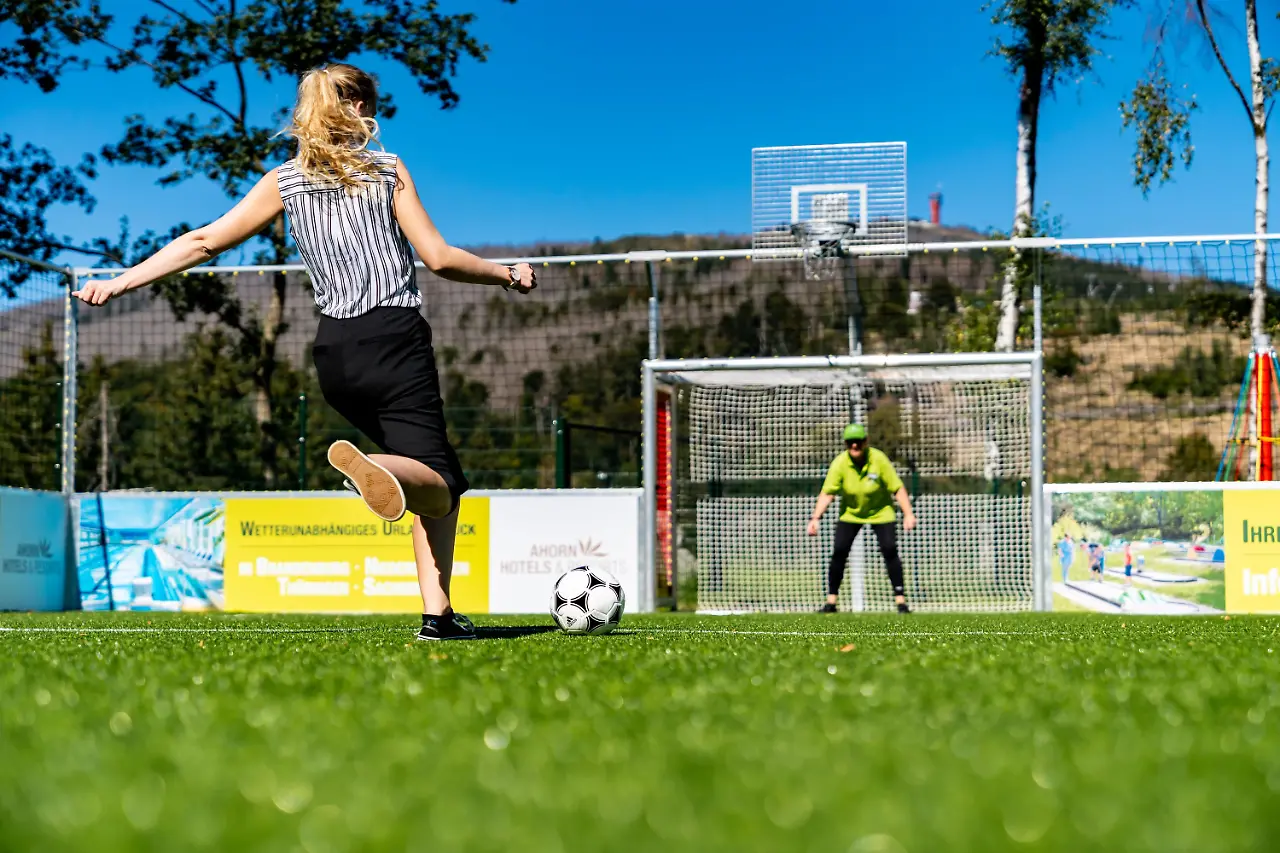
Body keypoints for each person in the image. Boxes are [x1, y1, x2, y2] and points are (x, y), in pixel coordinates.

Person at [72, 63, 535, 641]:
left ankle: (437, 613)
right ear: (359, 108)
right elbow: (438, 258)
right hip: (393, 339)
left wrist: (120, 282)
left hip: (334, 354)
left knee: (424, 479)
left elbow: (204, 240)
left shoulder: (284, 181)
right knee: (440, 481)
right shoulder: (387, 171)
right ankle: (386, 485)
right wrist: (506, 273)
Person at [807, 424, 918, 614]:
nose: (855, 446)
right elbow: (828, 493)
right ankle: (831, 602)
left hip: (881, 512)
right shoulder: (840, 463)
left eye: (858, 442)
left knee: (889, 550)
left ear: (865, 442)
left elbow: (897, 487)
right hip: (851, 513)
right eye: (851, 443)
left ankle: (901, 601)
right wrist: (815, 518)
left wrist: (908, 513)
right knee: (839, 551)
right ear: (845, 444)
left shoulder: (878, 459)